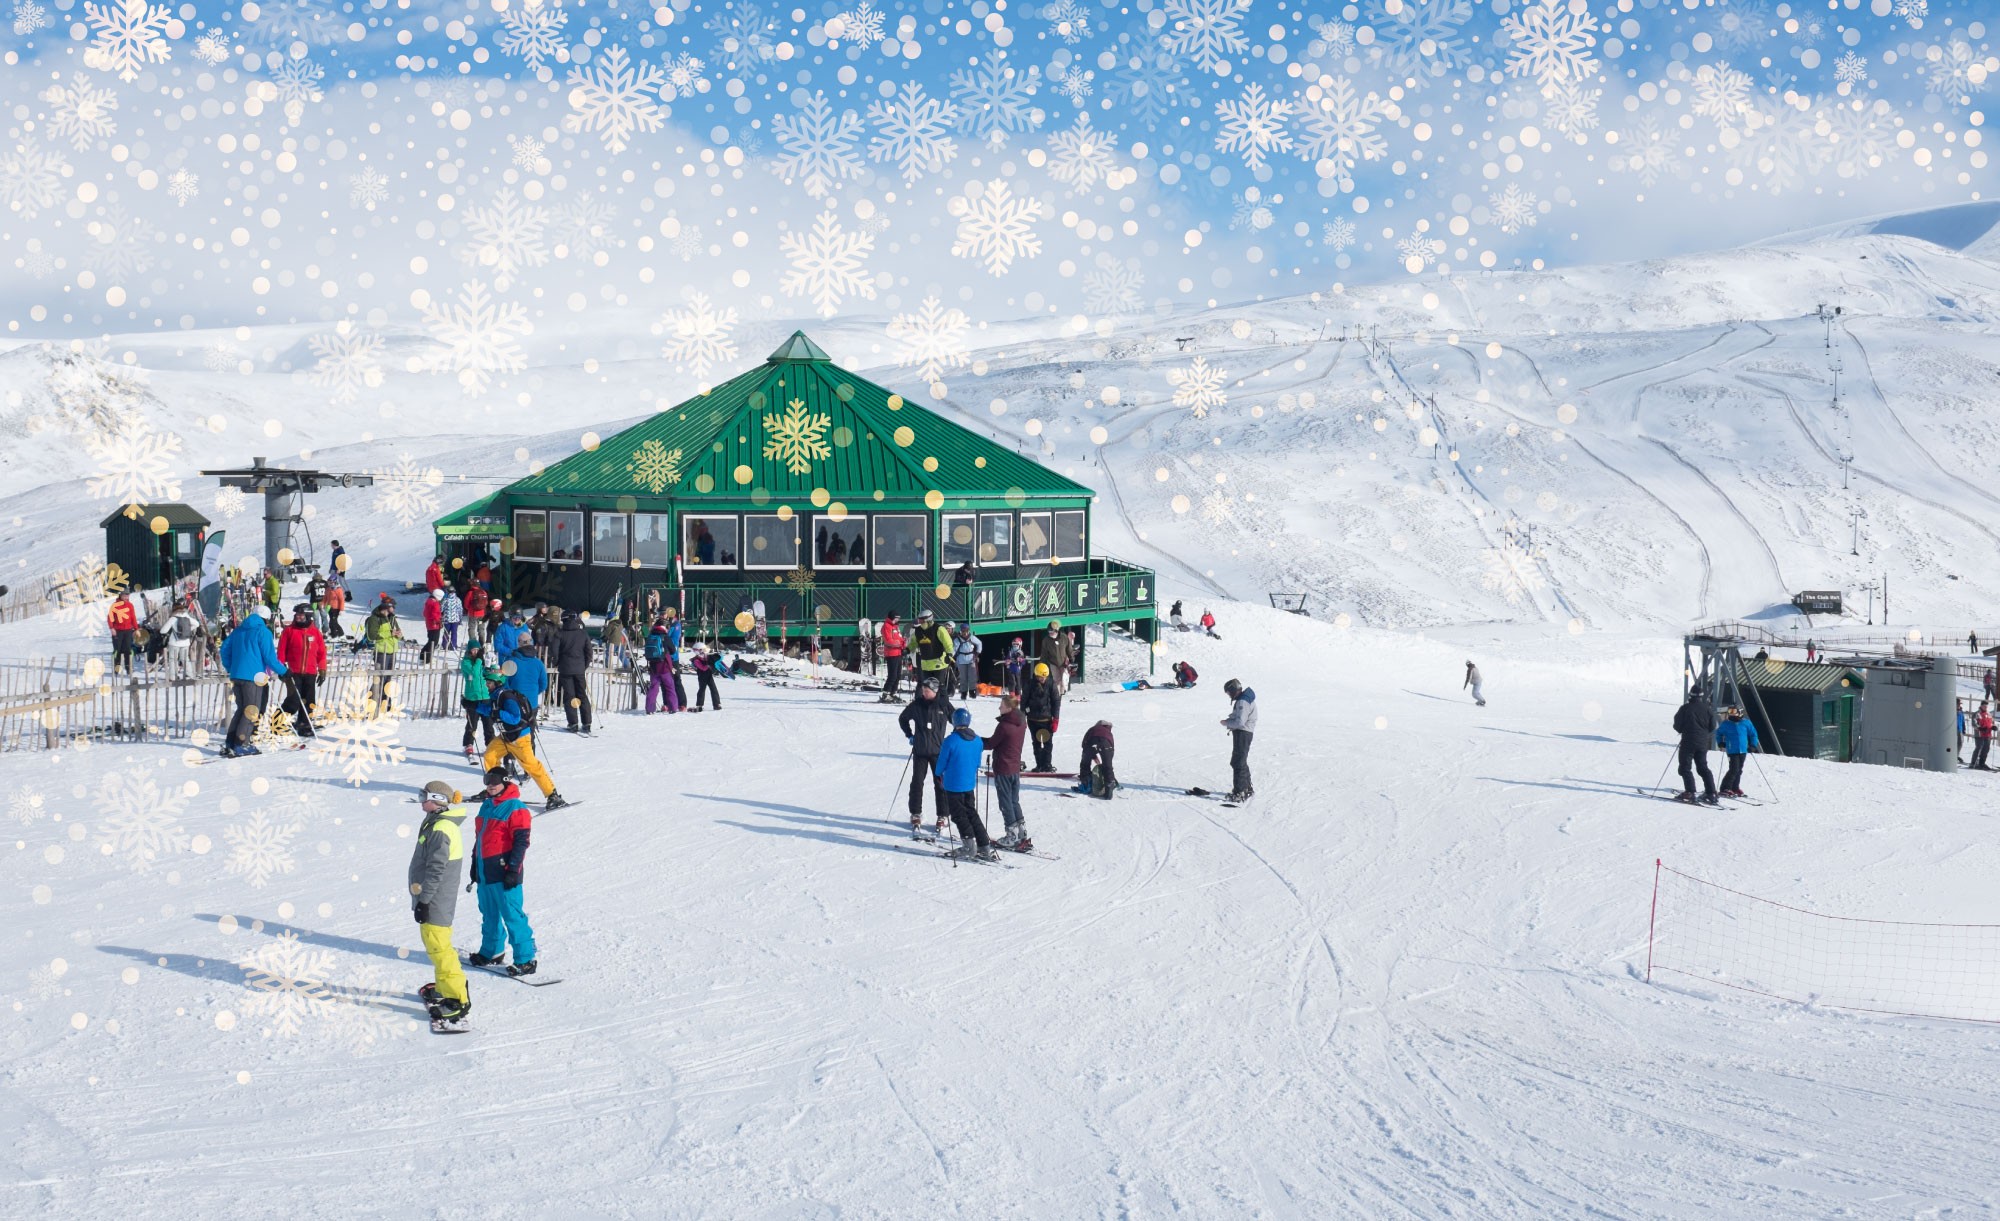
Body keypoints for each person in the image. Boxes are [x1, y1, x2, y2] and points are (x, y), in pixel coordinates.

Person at [409, 780, 473, 1028]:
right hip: (431, 896)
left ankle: (458, 999)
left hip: (435, 898)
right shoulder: (436, 821)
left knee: (440, 947)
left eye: (423, 795)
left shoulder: (441, 828)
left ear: (437, 799)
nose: (420, 799)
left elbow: (436, 870)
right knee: (435, 945)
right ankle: (445, 987)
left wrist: (424, 901)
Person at [469, 768, 539, 976]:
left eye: (495, 781)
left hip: (504, 871)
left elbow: (521, 842)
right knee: (488, 914)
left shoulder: (516, 808)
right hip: (485, 870)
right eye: (487, 781)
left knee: (512, 915)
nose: (490, 785)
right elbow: (480, 839)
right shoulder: (487, 805)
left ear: (506, 782)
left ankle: (526, 959)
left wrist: (513, 870)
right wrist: (475, 864)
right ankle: (492, 951)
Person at [484, 647, 568, 810]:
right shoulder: (496, 695)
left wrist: (497, 713)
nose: (487, 686)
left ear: (496, 683)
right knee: (489, 756)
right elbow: (489, 710)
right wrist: (473, 706)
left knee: (531, 766)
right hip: (506, 737)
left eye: (488, 683)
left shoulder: (506, 696)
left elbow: (514, 718)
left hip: (519, 738)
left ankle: (552, 795)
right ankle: (497, 787)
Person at [218, 606, 287, 758]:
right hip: (254, 677)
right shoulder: (263, 632)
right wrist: (284, 672)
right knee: (251, 710)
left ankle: (231, 742)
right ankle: (241, 744)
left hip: (237, 675)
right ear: (266, 619)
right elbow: (269, 657)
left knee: (242, 708)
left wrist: (231, 667)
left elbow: (224, 649)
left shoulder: (238, 630)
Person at [897, 677, 955, 836]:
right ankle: (915, 813)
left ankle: (943, 815)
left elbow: (957, 720)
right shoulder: (917, 705)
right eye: (923, 690)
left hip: (938, 752)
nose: (924, 692)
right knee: (917, 782)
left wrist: (954, 738)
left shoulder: (943, 705)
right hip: (920, 751)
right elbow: (902, 719)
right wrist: (910, 735)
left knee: (940, 784)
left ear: (935, 691)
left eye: (927, 690)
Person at [937, 707, 996, 860]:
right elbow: (977, 762)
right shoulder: (977, 740)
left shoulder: (950, 740)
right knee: (971, 812)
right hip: (969, 783)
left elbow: (941, 762)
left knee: (958, 815)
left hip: (953, 784)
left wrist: (938, 774)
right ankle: (984, 844)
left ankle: (969, 846)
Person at [984, 693, 1031, 850]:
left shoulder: (1004, 726)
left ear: (1009, 708)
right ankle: (1021, 831)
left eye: (1002, 706)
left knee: (1005, 801)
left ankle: (1011, 835)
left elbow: (991, 743)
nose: (999, 708)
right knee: (1013, 800)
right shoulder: (1022, 722)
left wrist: (975, 740)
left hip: (1003, 767)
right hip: (1014, 767)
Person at [276, 604, 326, 738]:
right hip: (293, 672)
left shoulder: (315, 633)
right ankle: (276, 722)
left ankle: (304, 724)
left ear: (309, 617)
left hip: (310, 672)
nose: (298, 617)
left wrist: (322, 669)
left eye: (301, 615)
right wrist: (281, 669)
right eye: (296, 615)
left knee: (309, 701)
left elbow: (321, 653)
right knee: (294, 700)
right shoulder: (289, 631)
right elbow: (281, 651)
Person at [1672, 688, 1719, 805]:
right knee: (1703, 767)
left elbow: (1677, 725)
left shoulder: (1685, 708)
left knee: (1685, 767)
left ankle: (1690, 792)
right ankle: (1711, 793)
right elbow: (1713, 726)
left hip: (1688, 741)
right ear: (1701, 696)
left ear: (1690, 696)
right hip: (1703, 742)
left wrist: (1684, 729)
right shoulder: (1707, 709)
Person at [459, 642, 501, 761]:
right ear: (469, 650)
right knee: (472, 723)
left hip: (486, 696)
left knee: (488, 723)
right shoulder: (466, 662)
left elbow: (489, 673)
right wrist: (478, 660)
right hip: (472, 697)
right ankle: (468, 744)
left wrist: (490, 665)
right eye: (473, 650)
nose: (475, 652)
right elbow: (475, 673)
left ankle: (490, 745)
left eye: (477, 649)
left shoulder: (481, 661)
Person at [554, 611, 593, 734]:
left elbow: (554, 652)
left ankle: (573, 723)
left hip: (565, 669)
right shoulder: (582, 633)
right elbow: (589, 652)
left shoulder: (559, 634)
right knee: (582, 695)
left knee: (570, 696)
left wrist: (557, 663)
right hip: (579, 669)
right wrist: (584, 665)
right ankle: (586, 723)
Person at [1221, 678, 1257, 801]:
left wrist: (1227, 723)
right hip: (1244, 733)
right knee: (1240, 760)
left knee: (1238, 762)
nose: (1229, 695)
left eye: (1229, 693)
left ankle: (1240, 792)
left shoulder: (1242, 701)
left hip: (1243, 733)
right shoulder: (1244, 699)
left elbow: (1240, 722)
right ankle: (1246, 788)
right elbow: (1240, 717)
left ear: (1233, 690)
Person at [364, 594, 402, 710]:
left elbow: (397, 632)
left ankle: (385, 700)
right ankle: (371, 701)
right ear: (387, 606)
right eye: (392, 607)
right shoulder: (374, 619)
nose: (394, 609)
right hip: (381, 651)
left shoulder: (392, 618)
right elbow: (371, 635)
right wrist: (390, 633)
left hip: (392, 650)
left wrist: (398, 635)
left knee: (388, 678)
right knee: (379, 678)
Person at [1022, 661, 1059, 772]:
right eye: (1040, 677)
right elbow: (1023, 701)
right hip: (1033, 720)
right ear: (1036, 675)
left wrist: (1056, 718)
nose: (1043, 679)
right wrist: (1022, 717)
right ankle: (1039, 765)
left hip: (1047, 720)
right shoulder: (1029, 684)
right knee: (1036, 743)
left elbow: (1056, 701)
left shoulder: (1051, 684)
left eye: (1044, 677)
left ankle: (1047, 764)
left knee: (1047, 743)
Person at [1715, 706, 1760, 798]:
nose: (1731, 714)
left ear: (1740, 713)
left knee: (1739, 770)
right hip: (1732, 749)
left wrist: (1753, 745)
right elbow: (1718, 733)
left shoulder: (1746, 723)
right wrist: (1720, 742)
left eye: (1734, 712)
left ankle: (1735, 787)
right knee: (1734, 769)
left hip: (1743, 750)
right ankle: (1725, 788)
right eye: (1730, 712)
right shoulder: (1726, 724)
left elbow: (1753, 734)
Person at [644, 617, 681, 714]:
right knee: (670, 687)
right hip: (664, 666)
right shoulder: (665, 636)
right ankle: (673, 708)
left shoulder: (650, 635)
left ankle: (650, 709)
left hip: (653, 667)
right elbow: (673, 650)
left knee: (653, 688)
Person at [914, 608, 953, 694]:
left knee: (939, 687)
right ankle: (928, 706)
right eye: (919, 620)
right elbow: (913, 642)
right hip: (925, 664)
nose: (920, 622)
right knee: (927, 689)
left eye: (921, 620)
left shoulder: (939, 629)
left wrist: (949, 654)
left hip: (938, 663)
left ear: (928, 619)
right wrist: (907, 649)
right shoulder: (918, 631)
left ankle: (943, 705)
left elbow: (948, 643)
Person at [1076, 719, 1116, 799]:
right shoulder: (1108, 732)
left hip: (1091, 741)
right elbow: (1111, 748)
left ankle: (1086, 783)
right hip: (1106, 744)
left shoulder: (1092, 729)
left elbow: (1084, 744)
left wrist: (1091, 755)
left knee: (1085, 764)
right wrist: (1107, 762)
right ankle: (1109, 785)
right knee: (1107, 766)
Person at [163, 599, 202, 680]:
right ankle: (190, 675)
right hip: (185, 642)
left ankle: (173, 677)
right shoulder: (187, 616)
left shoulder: (173, 618)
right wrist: (188, 630)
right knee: (185, 659)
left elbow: (163, 631)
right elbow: (197, 624)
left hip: (174, 642)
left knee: (173, 659)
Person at [107, 592, 139, 674]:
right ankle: (117, 669)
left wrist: (136, 629)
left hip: (128, 631)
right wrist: (112, 628)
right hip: (117, 631)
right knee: (117, 650)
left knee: (128, 650)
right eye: (125, 595)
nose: (126, 597)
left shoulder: (130, 605)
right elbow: (110, 617)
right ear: (120, 596)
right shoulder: (115, 605)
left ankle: (128, 668)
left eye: (128, 595)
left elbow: (133, 617)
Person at [1037, 620, 1072, 696]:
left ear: (1056, 630)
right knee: (1056, 679)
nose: (1050, 633)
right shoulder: (1046, 640)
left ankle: (1063, 690)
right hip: (1053, 662)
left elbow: (1069, 649)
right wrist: (1041, 664)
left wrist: (1071, 658)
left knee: (1063, 678)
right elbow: (1044, 654)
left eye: (1051, 631)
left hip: (1064, 662)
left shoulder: (1063, 637)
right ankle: (1057, 694)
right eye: (1049, 631)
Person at [880, 612, 906, 702]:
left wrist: (904, 645)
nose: (898, 620)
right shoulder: (887, 626)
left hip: (898, 652)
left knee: (898, 675)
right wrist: (899, 644)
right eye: (896, 618)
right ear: (892, 618)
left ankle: (892, 693)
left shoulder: (895, 626)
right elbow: (889, 640)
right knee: (893, 675)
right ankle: (886, 693)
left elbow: (899, 638)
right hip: (891, 653)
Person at [691, 642, 723, 711]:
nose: (705, 652)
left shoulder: (707, 656)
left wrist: (717, 655)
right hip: (702, 676)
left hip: (709, 675)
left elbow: (719, 658)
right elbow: (703, 668)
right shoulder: (696, 660)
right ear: (698, 651)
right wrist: (708, 666)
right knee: (702, 690)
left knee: (713, 689)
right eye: (703, 650)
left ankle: (716, 704)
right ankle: (699, 705)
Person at [953, 623, 979, 697]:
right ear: (961, 631)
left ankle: (972, 691)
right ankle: (963, 692)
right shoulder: (957, 639)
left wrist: (977, 653)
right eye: (963, 631)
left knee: (972, 676)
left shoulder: (972, 638)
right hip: (961, 660)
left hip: (971, 659)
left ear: (968, 631)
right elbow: (954, 649)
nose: (964, 633)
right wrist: (950, 655)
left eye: (966, 631)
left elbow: (979, 643)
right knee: (963, 677)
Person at [421, 589, 444, 664]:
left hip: (429, 624)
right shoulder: (435, 603)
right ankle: (428, 658)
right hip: (434, 625)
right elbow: (434, 614)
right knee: (434, 642)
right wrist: (439, 620)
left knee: (431, 640)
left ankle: (423, 655)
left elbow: (425, 613)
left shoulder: (429, 601)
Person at [441, 585, 464, 652]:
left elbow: (441, 609)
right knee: (454, 633)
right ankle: (453, 645)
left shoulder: (445, 600)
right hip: (455, 619)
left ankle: (445, 645)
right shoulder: (458, 600)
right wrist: (460, 619)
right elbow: (460, 610)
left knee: (446, 632)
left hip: (446, 619)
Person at [1975, 702, 1996, 771]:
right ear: (1981, 706)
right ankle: (1975, 763)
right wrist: (1980, 728)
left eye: (1986, 706)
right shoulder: (1977, 714)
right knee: (1979, 748)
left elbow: (1992, 722)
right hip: (1980, 734)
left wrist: (1993, 727)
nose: (1986, 707)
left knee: (1986, 749)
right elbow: (1974, 723)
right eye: (1984, 706)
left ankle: (1982, 763)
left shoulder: (1989, 714)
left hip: (1988, 734)